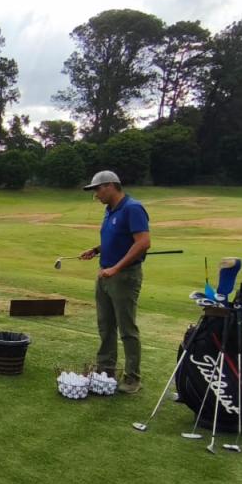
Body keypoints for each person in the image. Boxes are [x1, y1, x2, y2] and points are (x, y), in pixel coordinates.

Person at [78, 169, 151, 394]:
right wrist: (97, 249)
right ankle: (105, 370)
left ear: (110, 186)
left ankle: (132, 378)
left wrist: (116, 267)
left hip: (124, 276)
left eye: (97, 190)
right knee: (105, 325)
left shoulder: (133, 208)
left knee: (127, 329)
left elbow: (143, 242)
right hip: (105, 274)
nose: (96, 195)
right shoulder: (110, 211)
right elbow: (118, 239)